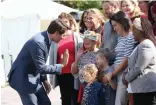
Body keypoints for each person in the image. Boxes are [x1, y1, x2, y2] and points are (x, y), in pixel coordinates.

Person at [7, 19, 70, 105]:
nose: (63, 38)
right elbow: (42, 68)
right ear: (56, 33)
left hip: (33, 77)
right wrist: (62, 65)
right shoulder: (38, 42)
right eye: (63, 35)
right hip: (23, 78)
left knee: (45, 103)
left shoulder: (47, 38)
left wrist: (44, 80)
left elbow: (40, 63)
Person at [48, 12, 83, 105]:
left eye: (66, 21)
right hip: (62, 72)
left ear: (70, 22)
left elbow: (81, 53)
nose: (64, 23)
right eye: (61, 22)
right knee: (65, 98)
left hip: (75, 73)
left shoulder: (76, 36)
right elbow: (52, 56)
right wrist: (52, 75)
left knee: (75, 98)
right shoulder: (56, 37)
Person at [123, 17, 156, 105]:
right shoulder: (140, 45)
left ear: (140, 30)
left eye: (133, 30)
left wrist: (126, 78)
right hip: (141, 89)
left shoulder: (146, 44)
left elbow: (138, 67)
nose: (132, 33)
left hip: (145, 89)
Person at [110, 11, 136, 105]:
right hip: (116, 72)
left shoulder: (131, 37)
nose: (114, 28)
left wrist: (112, 73)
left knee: (119, 102)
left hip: (123, 74)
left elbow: (126, 61)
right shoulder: (120, 38)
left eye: (115, 25)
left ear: (122, 22)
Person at [71, 31, 101, 104]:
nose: (85, 44)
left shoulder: (99, 53)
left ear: (94, 42)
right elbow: (74, 71)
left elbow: (101, 71)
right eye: (84, 42)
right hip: (83, 85)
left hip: (95, 86)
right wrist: (78, 57)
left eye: (88, 43)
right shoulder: (83, 54)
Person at [101, 1, 120, 65]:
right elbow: (104, 44)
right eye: (104, 9)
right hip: (106, 63)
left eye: (107, 9)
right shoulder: (106, 24)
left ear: (115, 7)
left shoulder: (124, 23)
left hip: (118, 63)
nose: (105, 12)